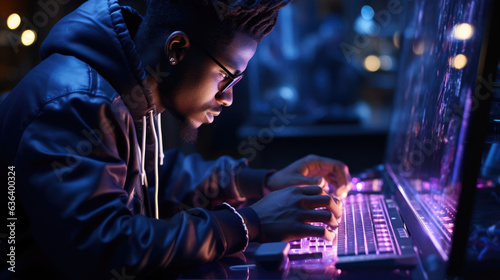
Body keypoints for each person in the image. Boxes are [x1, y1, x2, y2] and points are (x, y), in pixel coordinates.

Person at [0, 0, 352, 279]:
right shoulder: (76, 104)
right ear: (177, 49)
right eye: (227, 78)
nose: (228, 98)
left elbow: (156, 180)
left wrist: (263, 182)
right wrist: (248, 223)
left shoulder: (125, 90)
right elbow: (104, 249)